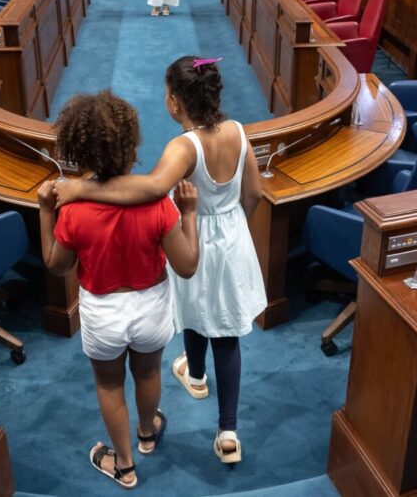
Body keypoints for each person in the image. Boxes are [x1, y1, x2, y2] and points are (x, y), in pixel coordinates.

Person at [54, 57, 265, 465]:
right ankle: (219, 415)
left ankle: (210, 399)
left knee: (194, 310)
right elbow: (253, 192)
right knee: (224, 327)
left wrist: (82, 188)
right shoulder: (239, 131)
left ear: (173, 103)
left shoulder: (183, 146)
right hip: (232, 233)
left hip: (195, 234)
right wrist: (233, 225)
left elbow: (151, 188)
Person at [37, 90, 201, 490]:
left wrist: (45, 211)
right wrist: (191, 214)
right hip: (151, 306)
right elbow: (187, 265)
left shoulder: (73, 207)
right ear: (132, 144)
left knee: (110, 384)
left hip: (102, 311)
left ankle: (124, 465)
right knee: (147, 373)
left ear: (77, 151)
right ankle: (147, 433)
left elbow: (57, 265)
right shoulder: (157, 202)